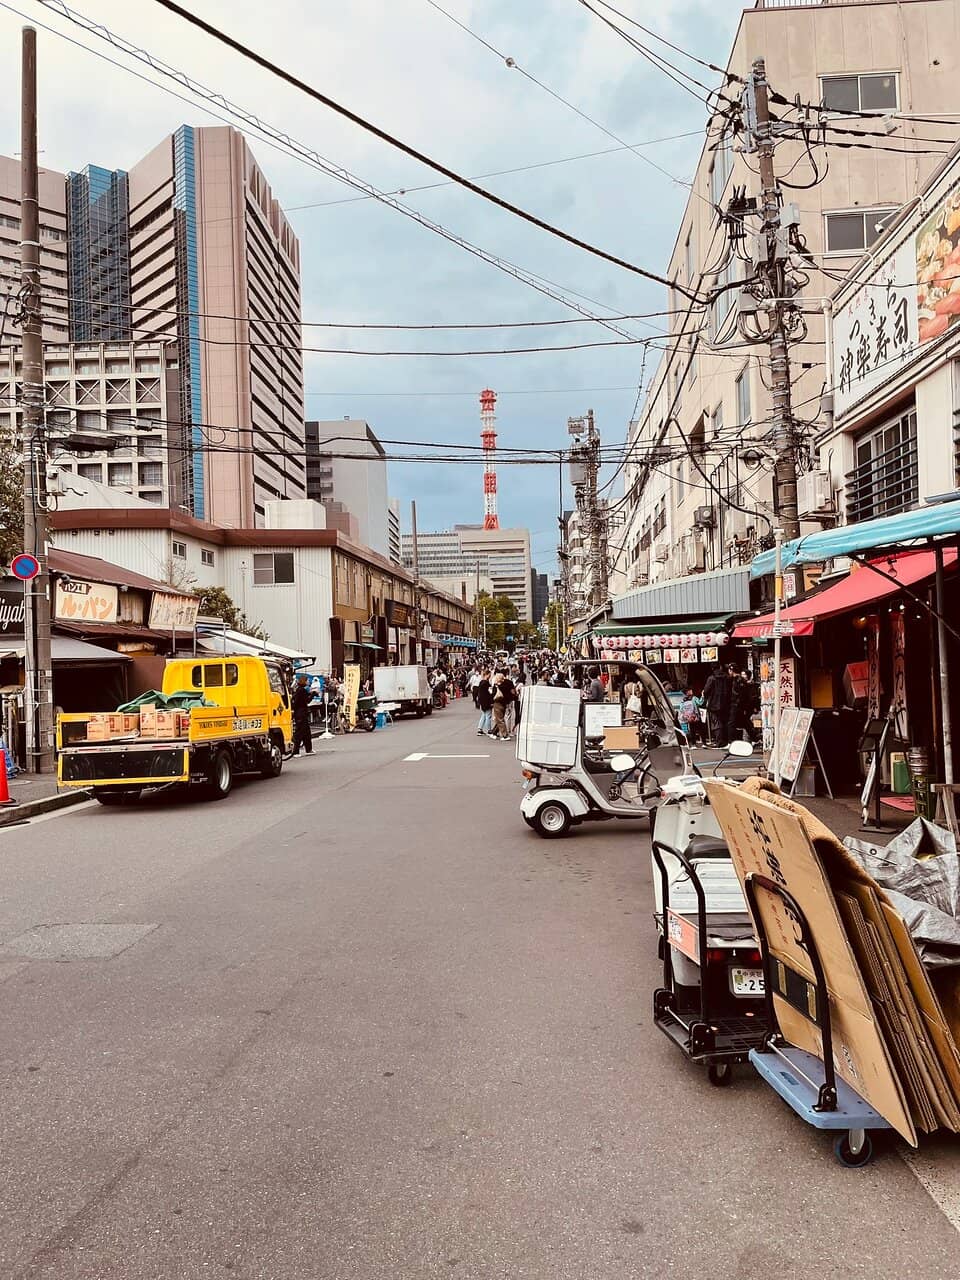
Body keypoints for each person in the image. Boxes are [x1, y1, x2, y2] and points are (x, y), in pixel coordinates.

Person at [701, 663, 731, 747]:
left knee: (716, 723)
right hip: (725, 703)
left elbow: (706, 691)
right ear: (720, 667)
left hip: (714, 704)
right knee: (724, 721)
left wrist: (706, 697)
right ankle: (726, 740)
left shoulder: (711, 678)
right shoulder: (726, 678)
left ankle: (719, 741)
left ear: (712, 669)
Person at [292, 673, 313, 756]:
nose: (309, 682)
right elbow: (307, 700)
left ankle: (309, 749)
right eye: (307, 680)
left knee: (306, 732)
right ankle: (296, 751)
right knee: (300, 732)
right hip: (301, 713)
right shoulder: (302, 690)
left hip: (300, 713)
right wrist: (313, 694)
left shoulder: (299, 690)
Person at [475, 669, 493, 736]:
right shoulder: (487, 683)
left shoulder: (481, 682)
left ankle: (480, 729)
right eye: (490, 675)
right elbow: (490, 693)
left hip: (482, 701)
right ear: (487, 675)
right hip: (487, 701)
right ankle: (489, 730)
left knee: (483, 715)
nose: (490, 676)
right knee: (488, 716)